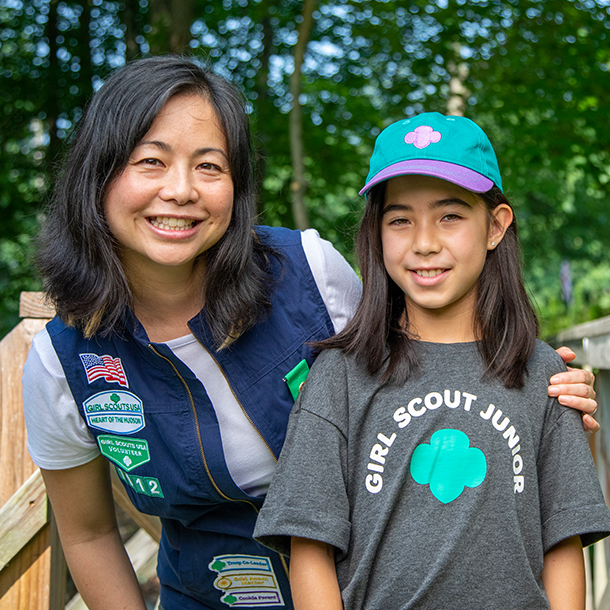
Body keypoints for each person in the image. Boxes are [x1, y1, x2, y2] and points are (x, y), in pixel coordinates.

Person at [20, 55, 596, 610]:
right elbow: (89, 534)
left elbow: (426, 358)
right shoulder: (63, 363)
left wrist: (547, 394)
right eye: (150, 161)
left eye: (209, 165)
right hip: (209, 593)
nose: (180, 190)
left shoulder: (311, 275)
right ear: (98, 175)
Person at [253, 113, 610, 610]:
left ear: (495, 226)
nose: (424, 242)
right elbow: (308, 545)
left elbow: (564, 541)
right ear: (377, 233)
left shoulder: (546, 375)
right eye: (400, 219)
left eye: (450, 216)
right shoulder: (339, 377)